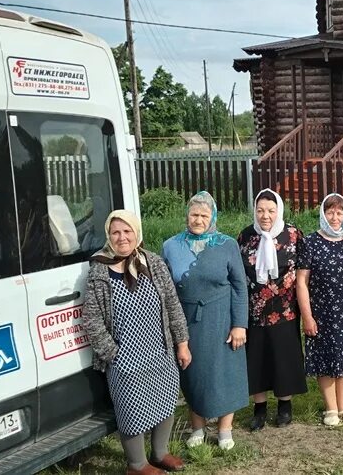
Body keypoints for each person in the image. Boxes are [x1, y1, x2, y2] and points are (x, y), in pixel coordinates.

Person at [82, 210, 189, 475]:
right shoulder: (100, 271)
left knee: (165, 400)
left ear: (136, 233)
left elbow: (173, 304)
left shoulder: (152, 263)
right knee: (132, 410)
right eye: (116, 232)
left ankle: (160, 453)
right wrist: (112, 353)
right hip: (125, 357)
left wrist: (182, 342)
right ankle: (137, 465)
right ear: (108, 236)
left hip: (159, 350)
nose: (122, 237)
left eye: (127, 231)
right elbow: (91, 320)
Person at [162, 191, 248, 451]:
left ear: (213, 217)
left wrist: (239, 324)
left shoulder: (227, 244)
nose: (198, 220)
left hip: (222, 317)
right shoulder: (170, 246)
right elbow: (166, 288)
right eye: (194, 214)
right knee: (194, 373)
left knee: (224, 373)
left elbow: (240, 286)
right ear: (186, 215)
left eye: (204, 215)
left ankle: (224, 429)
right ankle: (197, 427)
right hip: (187, 320)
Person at [236, 189, 307, 430]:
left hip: (285, 310)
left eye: (270, 210)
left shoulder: (293, 234)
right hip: (254, 311)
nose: (265, 216)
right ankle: (260, 409)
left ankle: (285, 406)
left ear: (279, 211)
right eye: (260, 210)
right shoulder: (245, 237)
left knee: (283, 358)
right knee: (256, 360)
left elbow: (303, 274)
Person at [297, 193, 343, 427]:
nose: (334, 217)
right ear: (322, 214)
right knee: (326, 358)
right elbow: (302, 282)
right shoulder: (311, 242)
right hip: (322, 311)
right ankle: (331, 408)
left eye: (339, 212)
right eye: (330, 212)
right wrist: (307, 316)